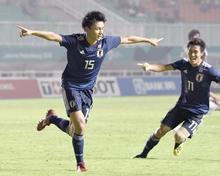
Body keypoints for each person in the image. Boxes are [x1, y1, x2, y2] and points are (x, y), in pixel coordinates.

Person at [17, 11, 163, 172]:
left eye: (102, 28)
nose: (101, 32)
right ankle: (80, 164)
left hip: (88, 90)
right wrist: (32, 32)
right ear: (87, 28)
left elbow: (127, 39)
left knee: (75, 130)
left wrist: (148, 40)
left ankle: (52, 119)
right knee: (79, 125)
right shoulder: (75, 41)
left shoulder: (105, 42)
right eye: (98, 28)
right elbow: (53, 36)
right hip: (71, 86)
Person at [134, 37, 220, 159]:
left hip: (197, 112)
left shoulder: (208, 70)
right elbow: (164, 67)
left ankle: (179, 142)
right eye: (190, 52)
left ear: (202, 53)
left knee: (178, 136)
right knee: (161, 131)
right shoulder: (183, 64)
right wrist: (149, 67)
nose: (193, 55)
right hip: (181, 107)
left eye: (196, 52)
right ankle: (143, 155)